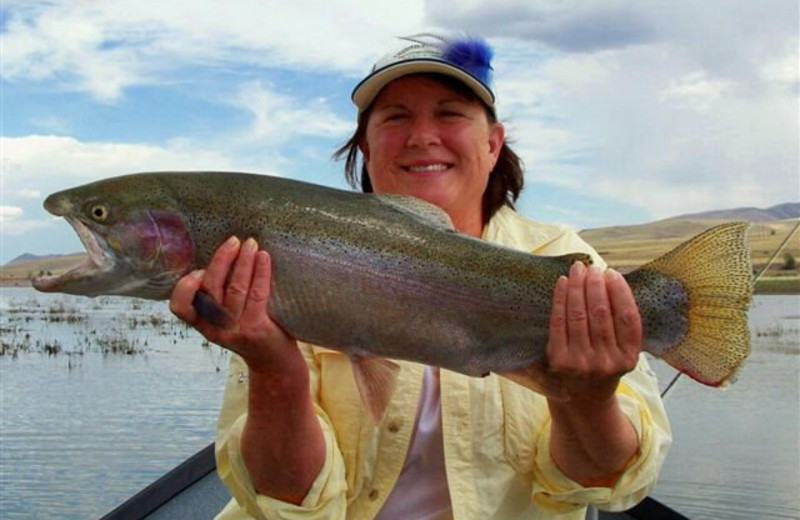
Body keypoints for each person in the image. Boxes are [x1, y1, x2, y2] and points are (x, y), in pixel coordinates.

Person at [170, 33, 672, 520]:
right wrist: (274, 370)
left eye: (450, 113)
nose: (422, 136)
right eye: (396, 117)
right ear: (366, 147)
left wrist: (587, 398)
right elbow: (285, 500)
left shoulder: (567, 262)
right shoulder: (290, 259)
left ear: (493, 144)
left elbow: (607, 484)